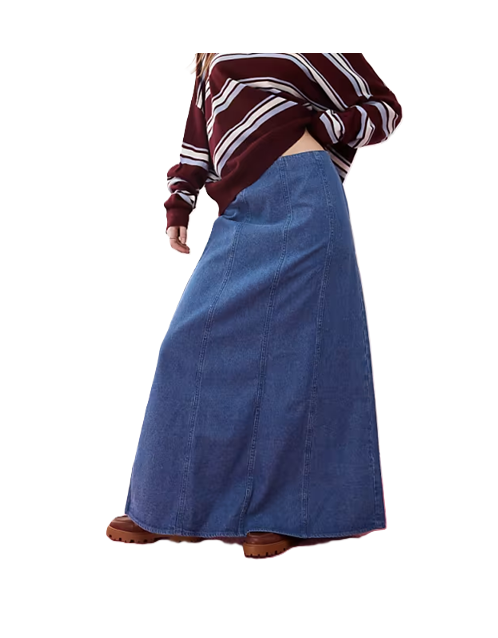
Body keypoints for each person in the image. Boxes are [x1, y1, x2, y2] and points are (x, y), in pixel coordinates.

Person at [106, 53, 403, 559]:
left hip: (306, 193)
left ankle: (288, 513)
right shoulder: (208, 58)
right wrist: (180, 202)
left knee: (296, 358)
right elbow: (198, 142)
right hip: (240, 207)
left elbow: (384, 107)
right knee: (188, 345)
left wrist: (324, 126)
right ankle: (174, 507)